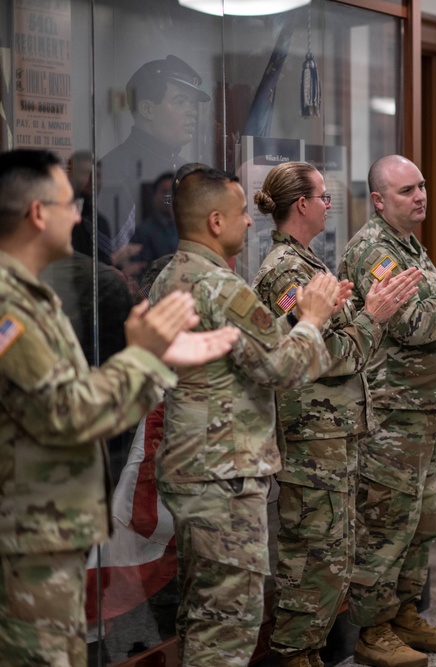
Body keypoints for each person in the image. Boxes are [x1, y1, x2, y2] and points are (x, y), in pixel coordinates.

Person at [0, 148, 237, 667]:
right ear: (38, 214)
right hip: (24, 539)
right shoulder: (8, 307)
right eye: (71, 202)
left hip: (47, 531)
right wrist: (144, 359)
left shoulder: (32, 295)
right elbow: (68, 412)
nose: (81, 214)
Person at [150, 166, 348, 667]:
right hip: (226, 473)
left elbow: (239, 351)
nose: (250, 222)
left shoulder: (168, 277)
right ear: (216, 221)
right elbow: (283, 368)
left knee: (202, 613)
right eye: (241, 213)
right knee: (230, 626)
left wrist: (290, 320)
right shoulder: (223, 287)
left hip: (190, 465)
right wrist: (314, 321)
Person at [251, 161, 421, 667]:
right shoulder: (285, 270)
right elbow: (324, 356)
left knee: (333, 551)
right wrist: (373, 318)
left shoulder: (308, 262)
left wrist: (353, 318)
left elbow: (333, 338)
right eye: (323, 197)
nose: (329, 205)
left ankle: (307, 651)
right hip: (312, 433)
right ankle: (295, 654)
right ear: (301, 205)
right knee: (313, 557)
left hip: (334, 431)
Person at [338, 155, 436, 667]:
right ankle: (373, 630)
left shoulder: (408, 244)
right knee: (386, 523)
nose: (421, 196)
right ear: (380, 200)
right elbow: (412, 325)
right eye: (408, 190)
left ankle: (404, 613)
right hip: (391, 410)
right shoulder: (373, 251)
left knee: (421, 522)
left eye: (423, 186)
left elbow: (434, 312)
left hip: (424, 406)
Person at [98, 55, 209, 261]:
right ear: (147, 109)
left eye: (192, 104)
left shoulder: (187, 170)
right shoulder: (114, 171)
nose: (192, 112)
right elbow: (112, 267)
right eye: (181, 102)